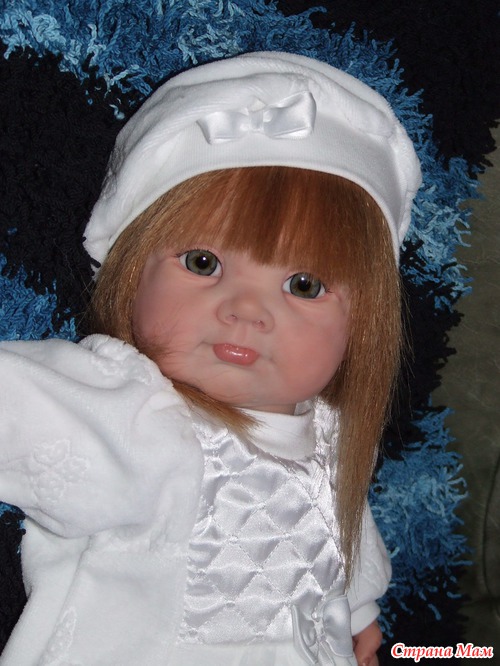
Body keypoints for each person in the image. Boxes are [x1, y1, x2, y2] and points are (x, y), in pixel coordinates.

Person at [0, 51, 421, 665]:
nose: (247, 311)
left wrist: (355, 617)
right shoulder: (137, 423)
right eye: (204, 263)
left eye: (304, 285)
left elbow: (340, 552)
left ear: (363, 324)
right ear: (130, 275)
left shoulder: (333, 439)